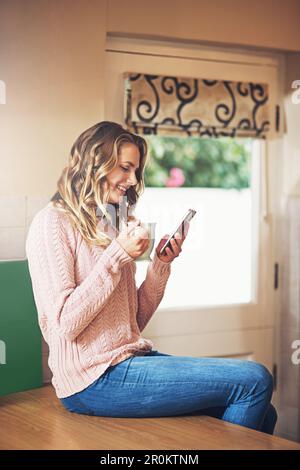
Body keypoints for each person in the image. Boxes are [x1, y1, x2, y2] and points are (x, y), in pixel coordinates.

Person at [26, 121, 277, 434]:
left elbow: (133, 323)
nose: (132, 180)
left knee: (265, 412)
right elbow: (64, 324)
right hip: (91, 380)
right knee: (254, 379)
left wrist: (159, 265)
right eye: (125, 168)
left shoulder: (110, 223)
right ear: (94, 164)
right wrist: (117, 256)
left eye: (136, 170)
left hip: (127, 361)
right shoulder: (51, 223)